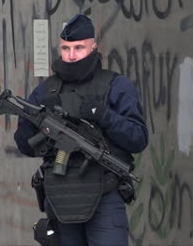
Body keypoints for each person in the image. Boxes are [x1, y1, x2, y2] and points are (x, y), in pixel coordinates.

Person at [14, 14, 148, 246]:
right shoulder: (46, 92)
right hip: (61, 199)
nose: (71, 55)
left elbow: (138, 139)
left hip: (104, 197)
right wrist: (44, 127)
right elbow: (24, 143)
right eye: (66, 48)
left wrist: (103, 115)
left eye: (78, 47)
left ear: (94, 47)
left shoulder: (116, 86)